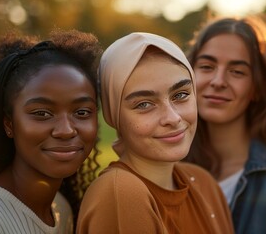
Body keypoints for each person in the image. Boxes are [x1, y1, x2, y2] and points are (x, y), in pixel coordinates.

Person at [76, 32, 234, 234]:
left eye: (181, 95)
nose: (173, 117)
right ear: (114, 115)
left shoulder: (203, 183)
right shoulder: (121, 194)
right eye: (144, 104)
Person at [184, 16, 266, 233]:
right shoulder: (164, 166)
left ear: (257, 87)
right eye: (206, 66)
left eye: (237, 72)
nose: (218, 81)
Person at [0, 29, 102, 233]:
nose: (66, 130)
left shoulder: (61, 208)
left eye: (82, 111)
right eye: (42, 113)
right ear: (9, 124)